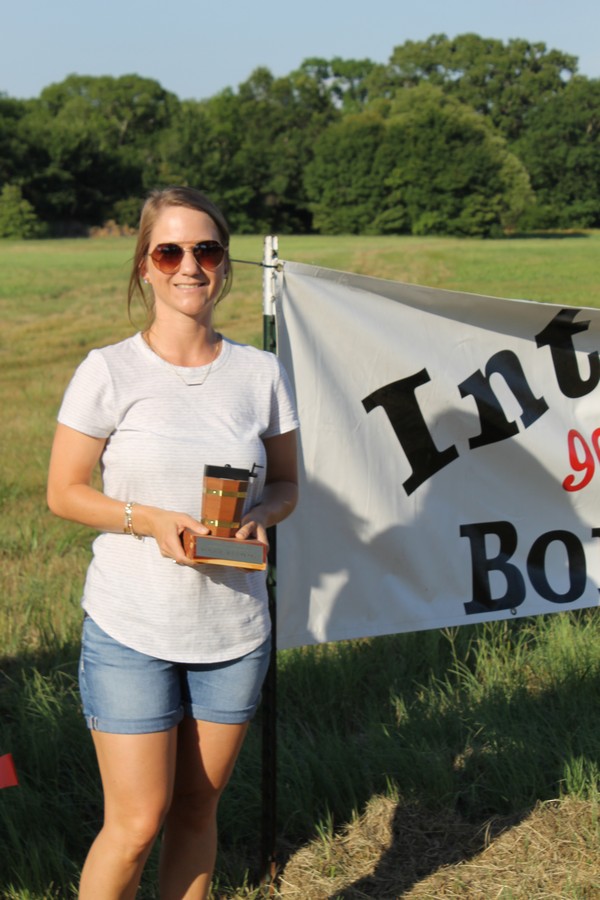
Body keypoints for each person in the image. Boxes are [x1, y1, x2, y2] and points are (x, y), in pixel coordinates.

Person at [47, 186, 299, 899]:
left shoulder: (261, 374)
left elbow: (286, 486)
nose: (190, 265)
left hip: (234, 632)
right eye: (171, 251)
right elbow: (64, 491)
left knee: (196, 812)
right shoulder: (109, 371)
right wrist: (149, 520)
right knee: (134, 823)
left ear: (225, 267)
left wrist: (263, 518)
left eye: (207, 250)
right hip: (132, 628)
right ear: (145, 268)